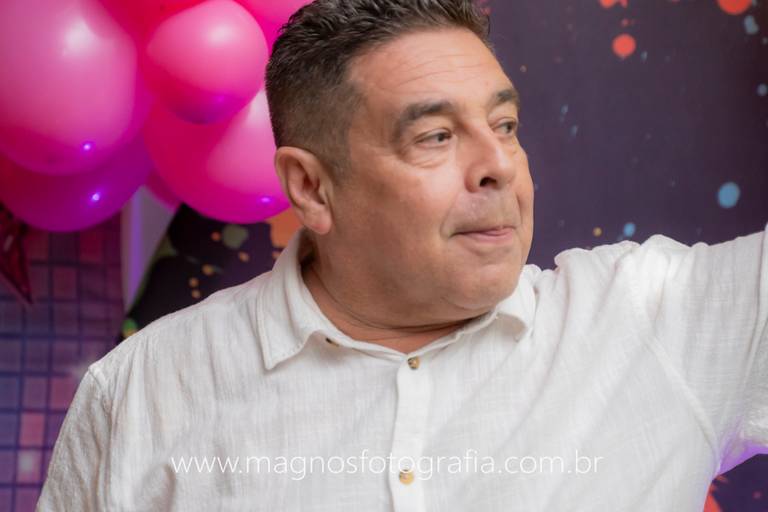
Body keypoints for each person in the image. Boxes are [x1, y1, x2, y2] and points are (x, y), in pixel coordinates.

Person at [37, 0, 767, 510]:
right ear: (311, 187)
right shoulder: (140, 395)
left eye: (504, 125)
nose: (498, 166)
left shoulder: (655, 321)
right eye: (436, 137)